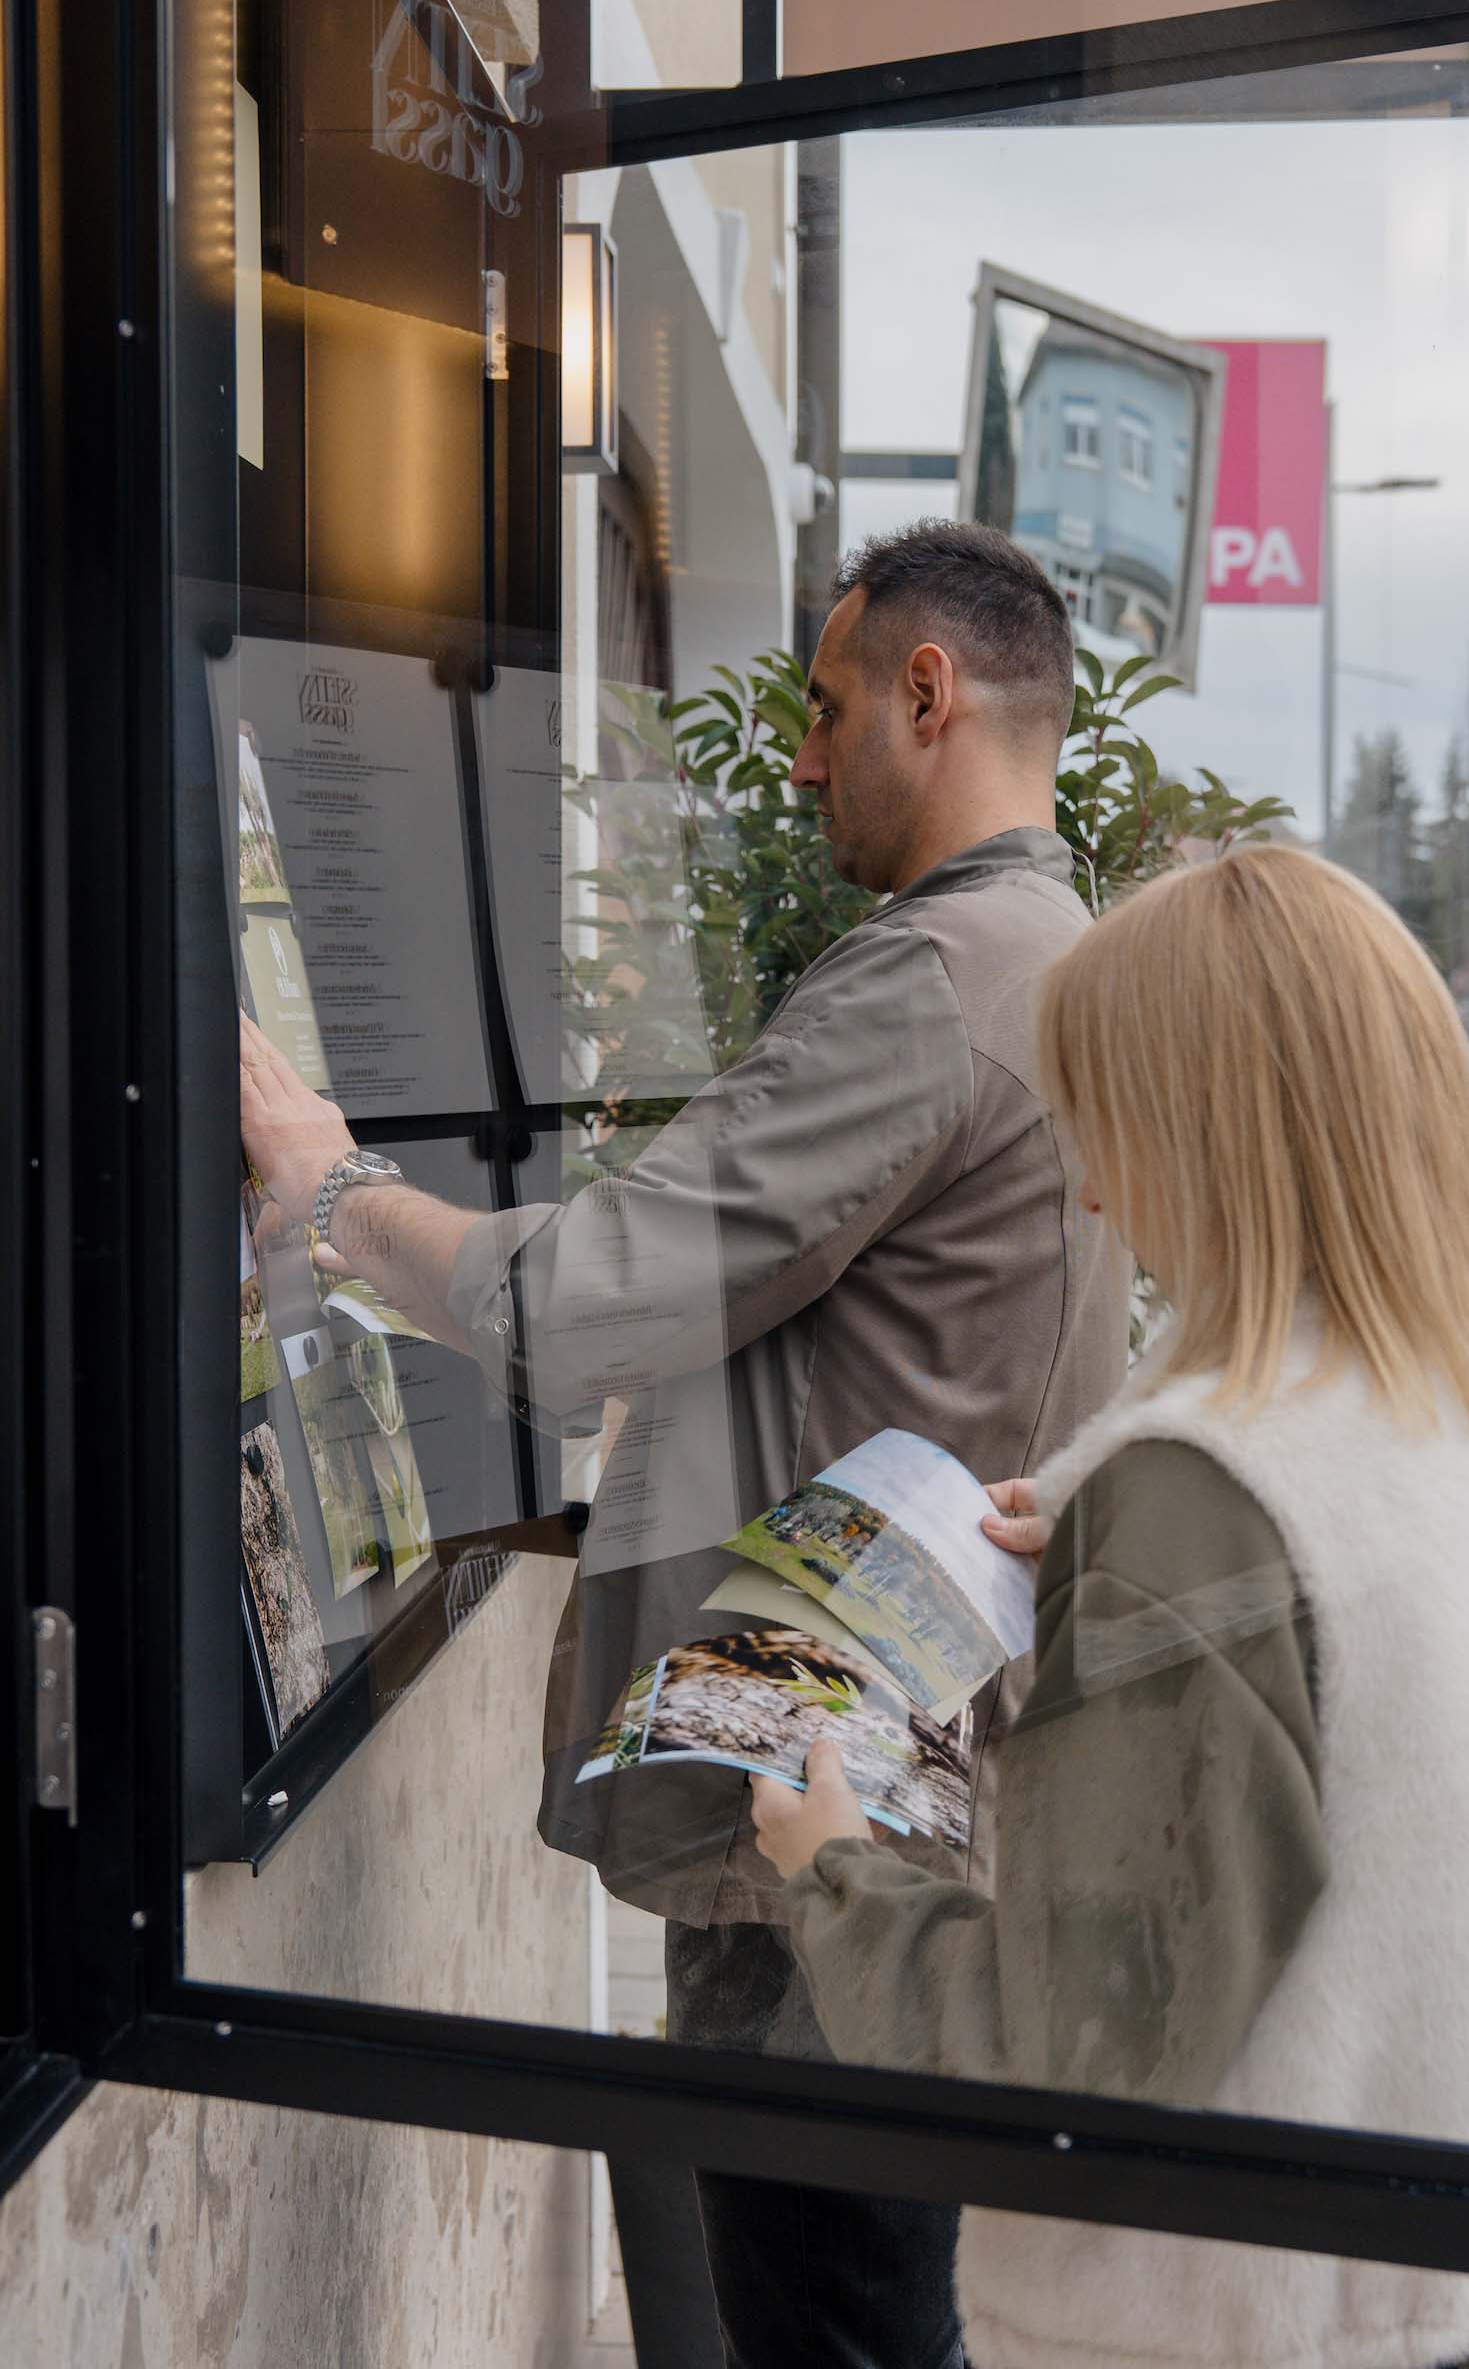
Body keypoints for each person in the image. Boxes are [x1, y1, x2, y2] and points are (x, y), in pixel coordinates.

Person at [237, 518, 1131, 2369]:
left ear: (930, 693)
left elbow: (590, 1303)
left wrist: (334, 1197)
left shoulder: (933, 981)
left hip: (827, 1797)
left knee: (833, 2323)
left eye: (823, 709)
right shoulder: (1075, 963)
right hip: (915, 1770)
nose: (800, 758)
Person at [752, 845, 1469, 2369]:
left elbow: (1067, 2052)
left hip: (1266, 2325)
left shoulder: (1208, 1498)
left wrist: (834, 1868)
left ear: (1215, 1133)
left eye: (1108, 1119)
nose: (1094, 1181)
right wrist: (1121, 1561)